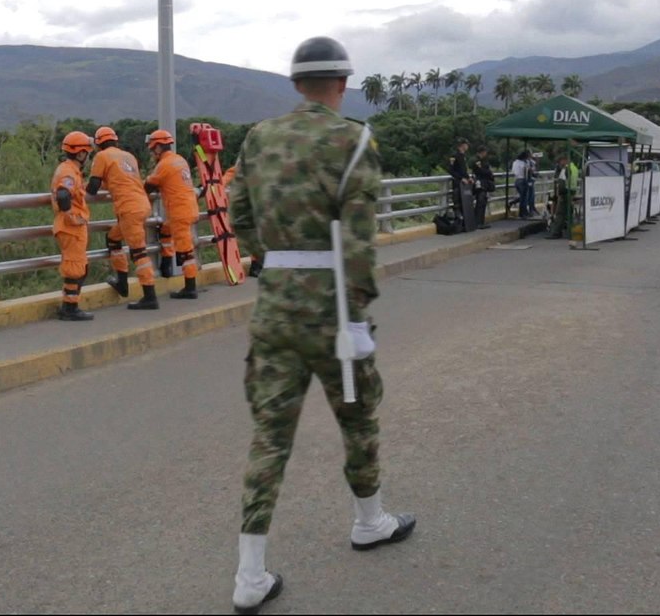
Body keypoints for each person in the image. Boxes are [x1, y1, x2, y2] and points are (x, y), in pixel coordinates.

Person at [228, 36, 415, 615]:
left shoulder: (258, 137)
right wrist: (357, 313)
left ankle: (249, 575)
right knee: (358, 418)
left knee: (269, 436)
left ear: (295, 85)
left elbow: (238, 214)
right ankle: (370, 521)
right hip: (334, 308)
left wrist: (273, 259)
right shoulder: (353, 140)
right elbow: (358, 241)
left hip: (276, 306)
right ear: (341, 83)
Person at [88, 126, 159, 310]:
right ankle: (121, 281)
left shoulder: (101, 157)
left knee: (139, 253)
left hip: (129, 208)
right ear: (115, 141)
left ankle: (150, 297)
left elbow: (93, 187)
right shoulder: (128, 156)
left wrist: (80, 188)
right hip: (141, 204)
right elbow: (120, 179)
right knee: (113, 238)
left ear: (98, 144)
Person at [144, 129, 200, 298]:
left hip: (179, 211)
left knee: (185, 251)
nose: (153, 153)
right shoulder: (180, 160)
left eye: (153, 149)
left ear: (159, 147)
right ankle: (167, 263)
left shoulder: (164, 165)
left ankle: (190, 288)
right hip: (189, 207)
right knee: (166, 229)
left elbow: (149, 185)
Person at [51, 131, 95, 321]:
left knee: (80, 267)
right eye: (86, 152)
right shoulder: (69, 172)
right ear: (80, 154)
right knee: (74, 268)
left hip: (73, 227)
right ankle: (69, 308)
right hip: (71, 228)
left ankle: (70, 305)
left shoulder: (70, 170)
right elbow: (63, 195)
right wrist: (71, 217)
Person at [544, 152, 578, 240]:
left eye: (560, 162)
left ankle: (556, 233)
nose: (559, 164)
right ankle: (572, 233)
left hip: (565, 194)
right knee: (569, 214)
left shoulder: (565, 169)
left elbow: (562, 184)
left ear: (564, 160)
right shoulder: (574, 168)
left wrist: (560, 194)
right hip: (572, 192)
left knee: (560, 214)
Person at [446, 139, 474, 228]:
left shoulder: (463, 156)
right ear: (462, 145)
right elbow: (451, 170)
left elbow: (464, 170)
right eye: (466, 145)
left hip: (465, 184)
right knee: (457, 203)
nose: (467, 146)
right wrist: (461, 178)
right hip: (458, 183)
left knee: (465, 204)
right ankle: (459, 223)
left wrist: (469, 177)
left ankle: (466, 224)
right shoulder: (454, 156)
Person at [470, 145, 495, 229]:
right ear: (482, 152)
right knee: (480, 202)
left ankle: (481, 221)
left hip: (483, 183)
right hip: (480, 183)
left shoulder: (482, 160)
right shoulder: (477, 160)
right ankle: (478, 222)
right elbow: (481, 171)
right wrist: (489, 172)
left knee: (483, 202)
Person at [511, 150, 531, 218]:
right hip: (522, 179)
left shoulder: (515, 162)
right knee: (524, 198)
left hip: (517, 180)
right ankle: (522, 213)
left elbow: (513, 171)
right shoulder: (523, 163)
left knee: (522, 197)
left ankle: (522, 211)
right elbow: (526, 171)